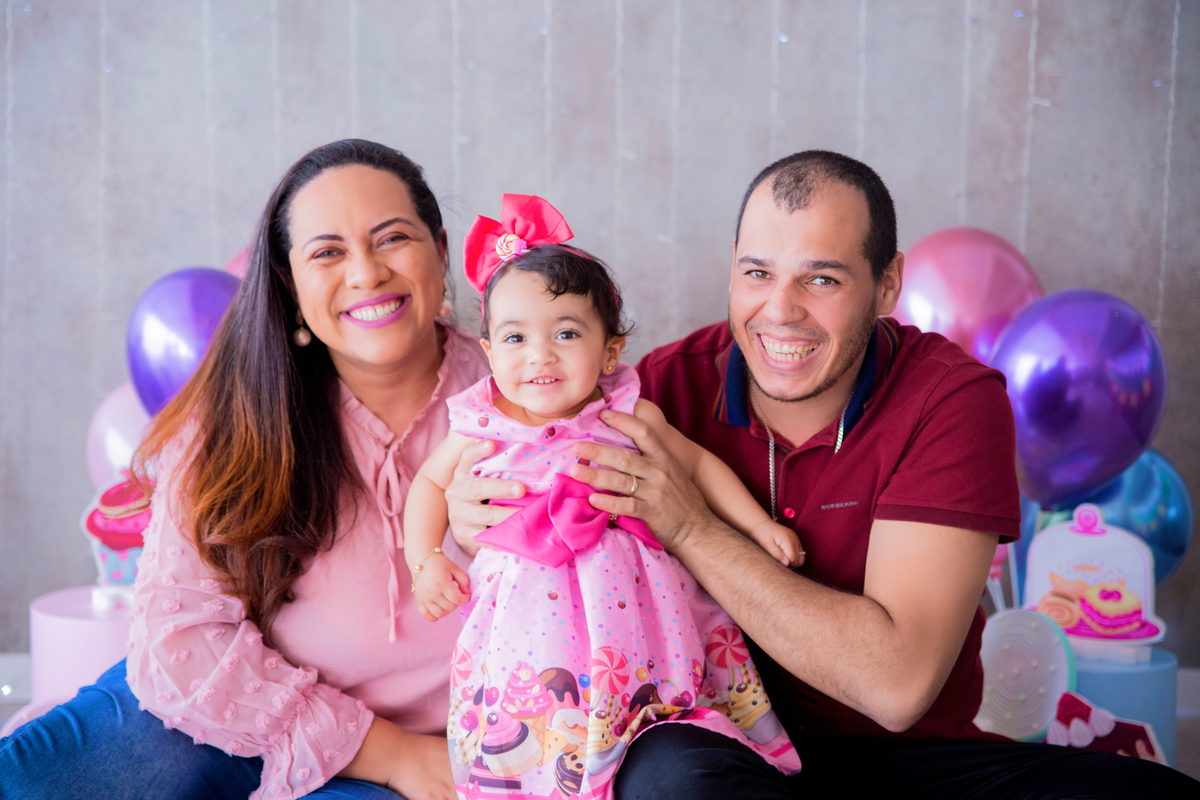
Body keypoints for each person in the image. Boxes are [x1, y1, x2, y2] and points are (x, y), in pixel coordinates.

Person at [446, 151, 1200, 798]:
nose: (780, 313)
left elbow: (897, 688)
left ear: (888, 284)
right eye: (757, 273)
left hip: (903, 761)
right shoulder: (659, 390)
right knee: (669, 778)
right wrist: (466, 511)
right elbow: (520, 496)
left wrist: (690, 526)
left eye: (823, 280)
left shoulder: (950, 399)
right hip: (720, 743)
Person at [0, 140, 490, 800]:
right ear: (289, 283)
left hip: (430, 752)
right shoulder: (238, 409)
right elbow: (180, 636)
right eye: (327, 252)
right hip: (224, 703)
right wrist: (387, 751)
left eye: (392, 238)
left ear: (440, 248)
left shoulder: (519, 397)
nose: (367, 273)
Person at [403, 194, 800, 799]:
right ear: (487, 352)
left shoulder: (625, 412)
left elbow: (698, 465)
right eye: (514, 338)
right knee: (537, 727)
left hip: (637, 618)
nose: (539, 355)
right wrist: (424, 559)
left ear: (611, 350)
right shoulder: (480, 424)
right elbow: (429, 484)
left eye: (566, 333)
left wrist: (757, 525)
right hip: (528, 626)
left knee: (657, 723)